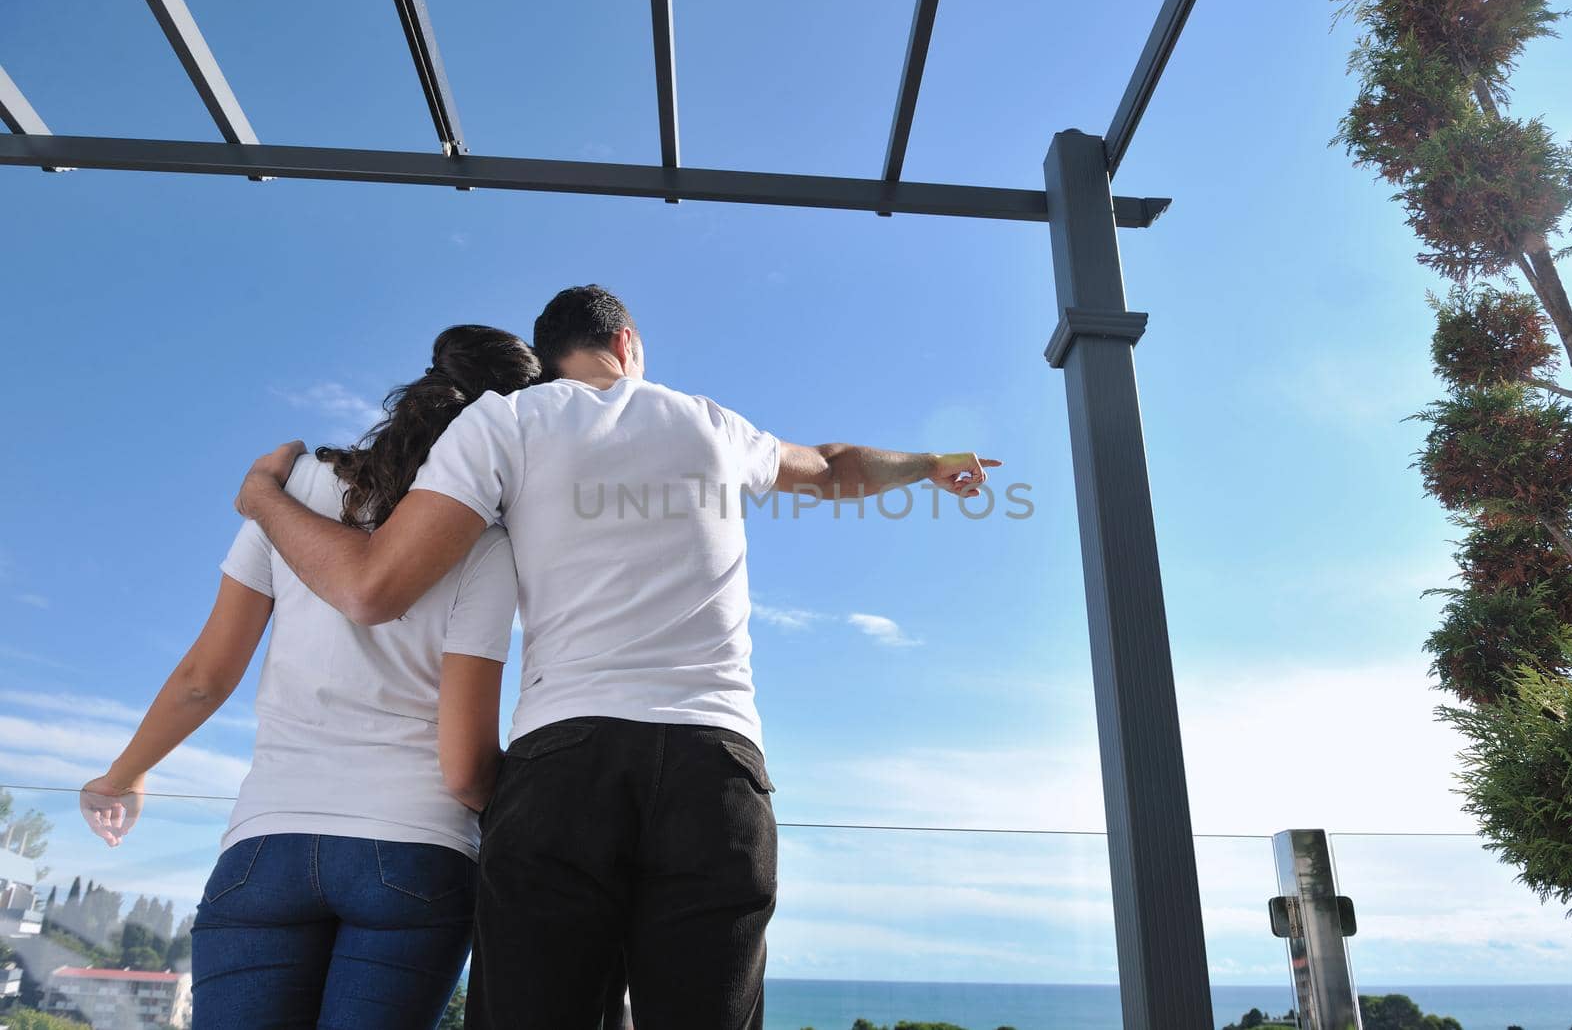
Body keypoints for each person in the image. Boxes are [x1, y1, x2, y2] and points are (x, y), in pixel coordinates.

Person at [233, 285, 999, 1030]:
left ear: (549, 359)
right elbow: (833, 468)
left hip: (563, 764)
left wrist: (265, 497)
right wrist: (929, 460)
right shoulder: (712, 424)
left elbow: (373, 589)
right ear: (626, 342)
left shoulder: (506, 421)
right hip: (716, 764)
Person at [81, 325, 539, 1030]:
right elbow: (464, 769)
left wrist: (124, 773)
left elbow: (206, 674)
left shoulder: (294, 488)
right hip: (417, 851)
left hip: (265, 847)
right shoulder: (488, 546)